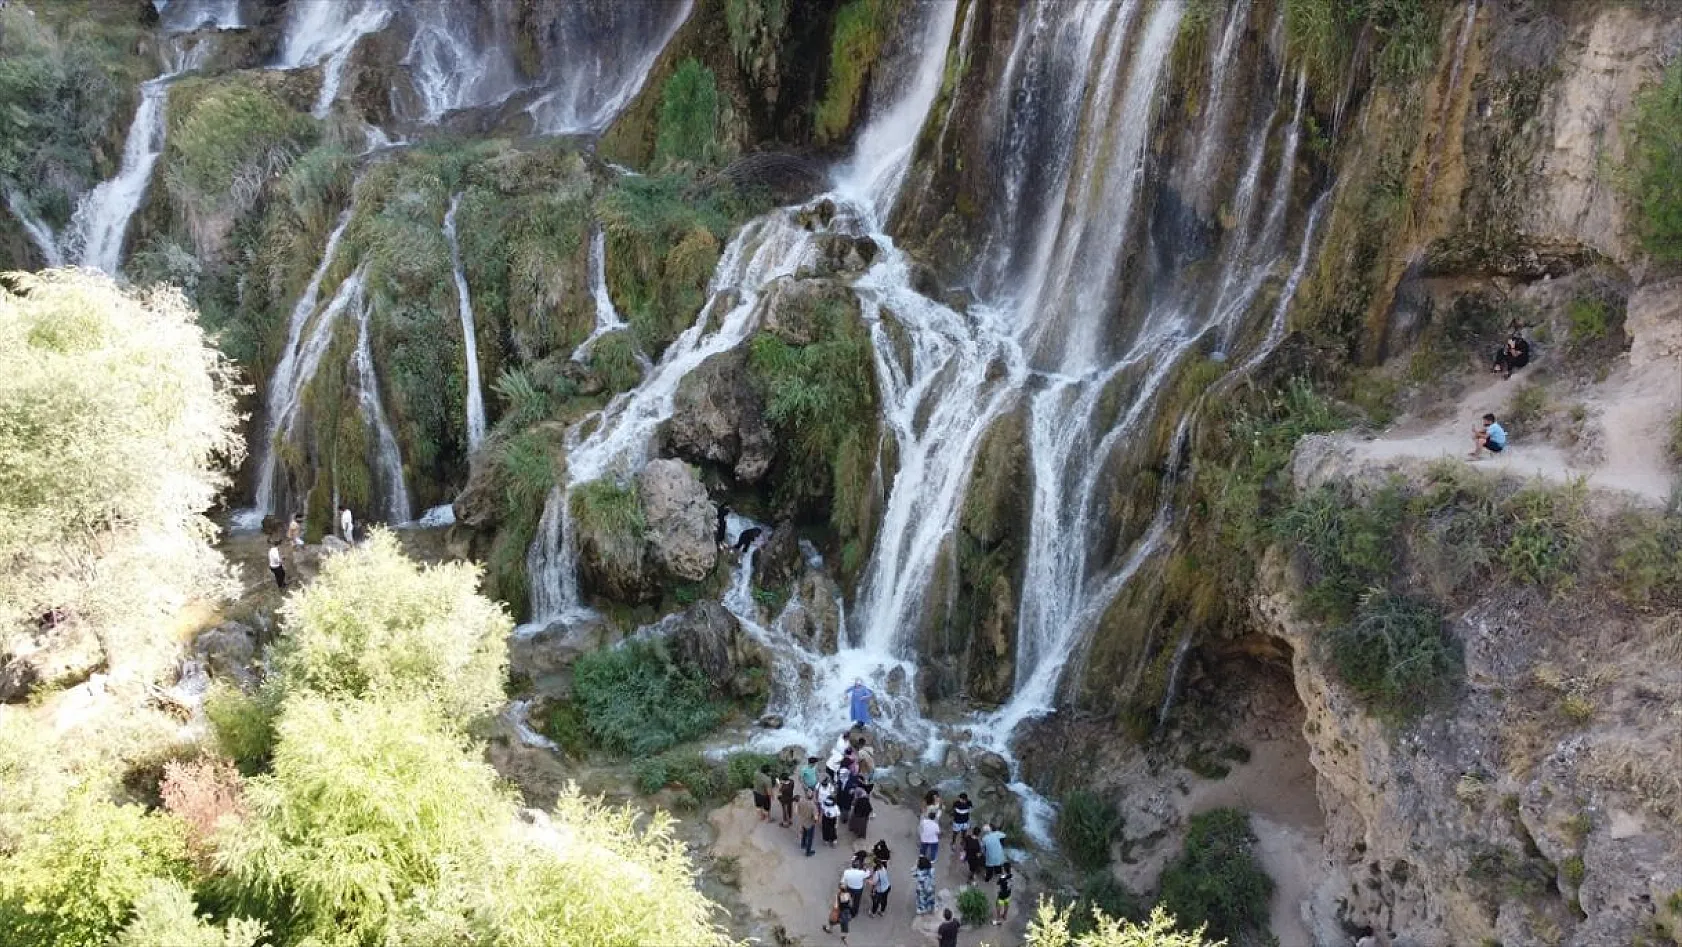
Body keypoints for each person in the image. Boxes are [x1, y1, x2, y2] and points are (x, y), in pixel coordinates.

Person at [797, 791, 818, 856]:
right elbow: (815, 817)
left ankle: (803, 844)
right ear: (812, 797)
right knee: (810, 838)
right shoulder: (813, 806)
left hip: (803, 821)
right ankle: (808, 852)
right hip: (810, 823)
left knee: (804, 834)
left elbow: (797, 811)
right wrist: (815, 822)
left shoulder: (801, 802)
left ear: (806, 796)